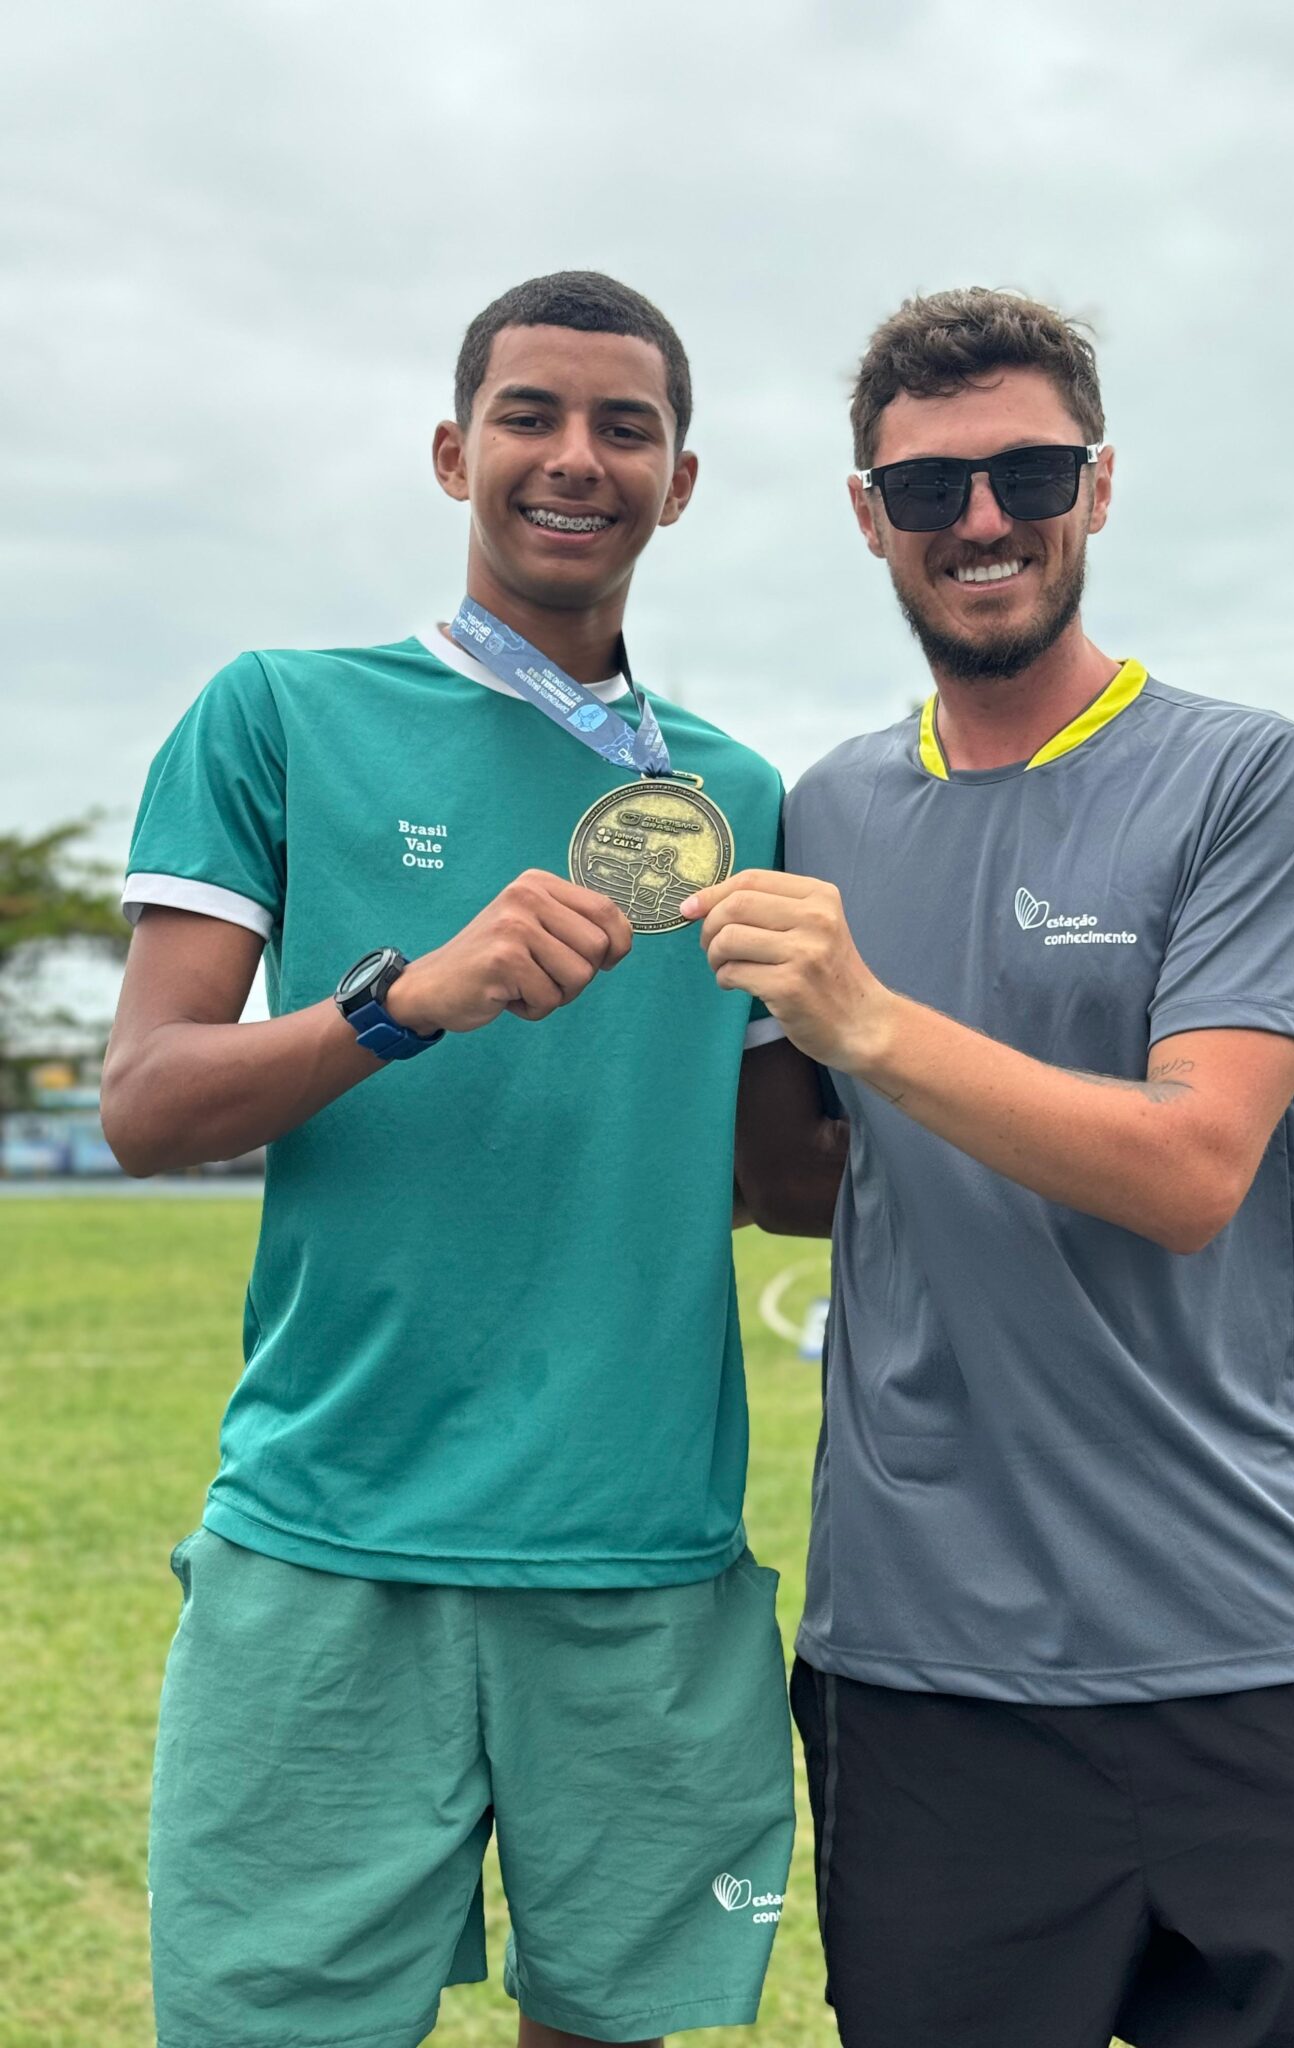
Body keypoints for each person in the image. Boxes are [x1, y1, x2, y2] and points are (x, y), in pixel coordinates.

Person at [683, 287, 1294, 2048]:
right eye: (928, 484)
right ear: (865, 512)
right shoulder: (825, 807)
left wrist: (863, 1018)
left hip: (1241, 1638)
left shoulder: (1251, 778)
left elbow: (1192, 1172)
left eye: (1027, 471)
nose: (981, 521)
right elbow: (805, 1183)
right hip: (921, 1668)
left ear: (1098, 486)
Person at [103, 270, 837, 2048]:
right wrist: (395, 1006)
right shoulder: (278, 710)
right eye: (532, 416)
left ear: (681, 480)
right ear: (454, 451)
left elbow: (778, 1178)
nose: (575, 458)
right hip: (334, 1535)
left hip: (640, 1549)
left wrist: (898, 1028)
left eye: (625, 427)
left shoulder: (733, 794)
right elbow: (144, 1101)